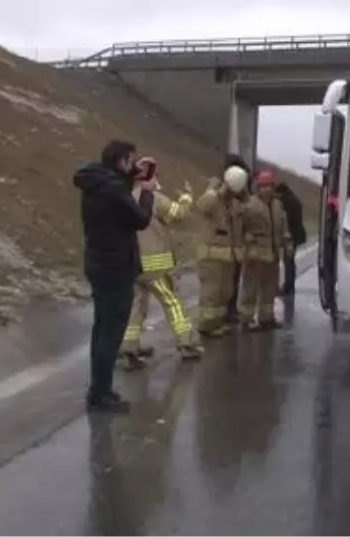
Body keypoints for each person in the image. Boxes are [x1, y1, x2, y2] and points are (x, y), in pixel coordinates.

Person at [73, 140, 156, 413]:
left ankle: (98, 390)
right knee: (110, 333)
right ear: (121, 161)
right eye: (131, 161)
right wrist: (147, 191)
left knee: (102, 329)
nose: (134, 165)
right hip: (116, 267)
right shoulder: (113, 190)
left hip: (99, 264)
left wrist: (133, 176)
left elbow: (118, 193)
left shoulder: (97, 182)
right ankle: (101, 394)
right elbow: (140, 218)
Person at [118, 157, 204, 367]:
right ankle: (187, 343)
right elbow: (178, 214)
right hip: (155, 264)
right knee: (172, 302)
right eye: (155, 176)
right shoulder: (153, 198)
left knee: (136, 306)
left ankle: (130, 346)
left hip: (131, 263)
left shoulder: (123, 197)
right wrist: (187, 196)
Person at [193, 164, 249, 338]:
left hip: (227, 258)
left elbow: (244, 212)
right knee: (211, 293)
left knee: (225, 292)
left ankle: (217, 323)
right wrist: (213, 190)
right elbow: (201, 205)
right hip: (211, 258)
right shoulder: (213, 199)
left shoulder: (232, 204)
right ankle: (206, 326)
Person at [241, 169, 291, 331]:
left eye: (269, 186)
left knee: (270, 288)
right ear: (257, 187)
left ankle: (266, 317)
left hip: (273, 254)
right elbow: (241, 227)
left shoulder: (278, 205)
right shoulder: (250, 205)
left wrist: (287, 245)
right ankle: (246, 319)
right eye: (263, 186)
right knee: (251, 288)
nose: (266, 189)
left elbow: (283, 228)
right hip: (255, 254)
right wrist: (247, 241)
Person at [223, 154, 253, 323]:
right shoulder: (224, 195)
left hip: (236, 242)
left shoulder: (240, 196)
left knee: (233, 277)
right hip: (229, 242)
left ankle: (231, 309)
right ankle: (228, 310)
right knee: (227, 279)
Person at [274, 181, 306, 296]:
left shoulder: (287, 201)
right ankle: (290, 286)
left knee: (288, 261)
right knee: (290, 261)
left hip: (291, 235)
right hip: (296, 234)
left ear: (280, 192)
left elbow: (288, 220)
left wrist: (287, 236)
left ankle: (288, 287)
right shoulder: (294, 199)